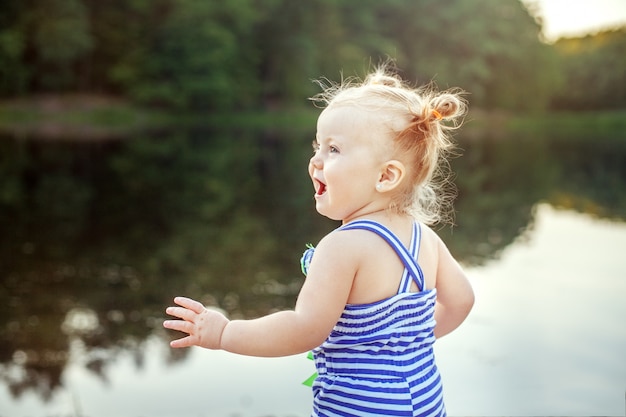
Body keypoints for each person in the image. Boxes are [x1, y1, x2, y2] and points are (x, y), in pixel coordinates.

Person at [163, 64, 474, 416]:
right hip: (425, 399)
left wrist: (225, 334)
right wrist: (407, 344)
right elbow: (462, 300)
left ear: (386, 176)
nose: (315, 161)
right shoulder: (424, 238)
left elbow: (305, 328)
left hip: (362, 407)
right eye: (318, 146)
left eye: (334, 150)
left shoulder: (343, 246)